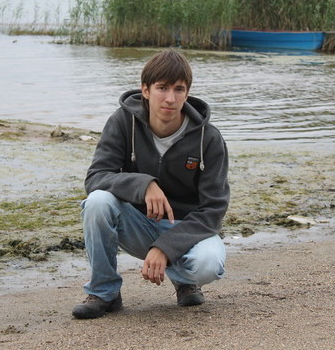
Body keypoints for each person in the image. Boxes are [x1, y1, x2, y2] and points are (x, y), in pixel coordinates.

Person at [72, 49, 230, 319]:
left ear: (187, 93)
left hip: (185, 229)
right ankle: (104, 291)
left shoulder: (209, 138)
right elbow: (96, 177)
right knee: (97, 202)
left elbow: (213, 210)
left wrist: (165, 248)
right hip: (137, 224)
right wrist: (143, 184)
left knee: (208, 264)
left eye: (179, 89)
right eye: (162, 88)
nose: (170, 98)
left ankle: (185, 281)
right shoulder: (123, 122)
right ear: (145, 90)